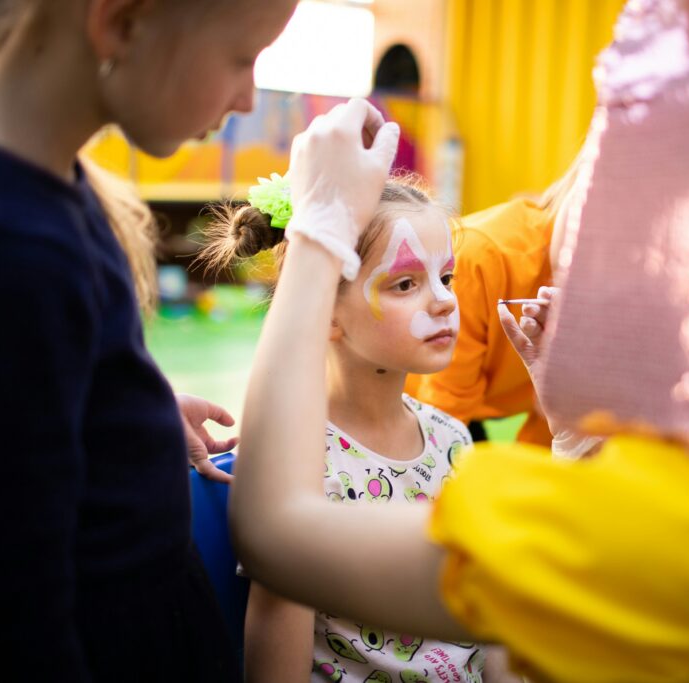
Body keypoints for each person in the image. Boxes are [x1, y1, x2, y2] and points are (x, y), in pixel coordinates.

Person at [227, 1, 689, 682]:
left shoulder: (673, 537)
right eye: (415, 283)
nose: (447, 296)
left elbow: (279, 532)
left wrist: (320, 231)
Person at [0, 1, 400, 680]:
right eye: (241, 58)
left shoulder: (20, 174)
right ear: (120, 21)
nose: (248, 95)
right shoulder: (2, 254)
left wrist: (121, 411)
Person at [201, 176, 517, 682]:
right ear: (324, 310)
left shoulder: (453, 440)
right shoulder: (297, 464)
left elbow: (487, 625)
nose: (443, 302)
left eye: (447, 278)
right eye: (406, 284)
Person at [404, 160, 582, 448]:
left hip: (477, 406)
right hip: (418, 404)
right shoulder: (483, 259)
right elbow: (441, 418)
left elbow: (552, 432)